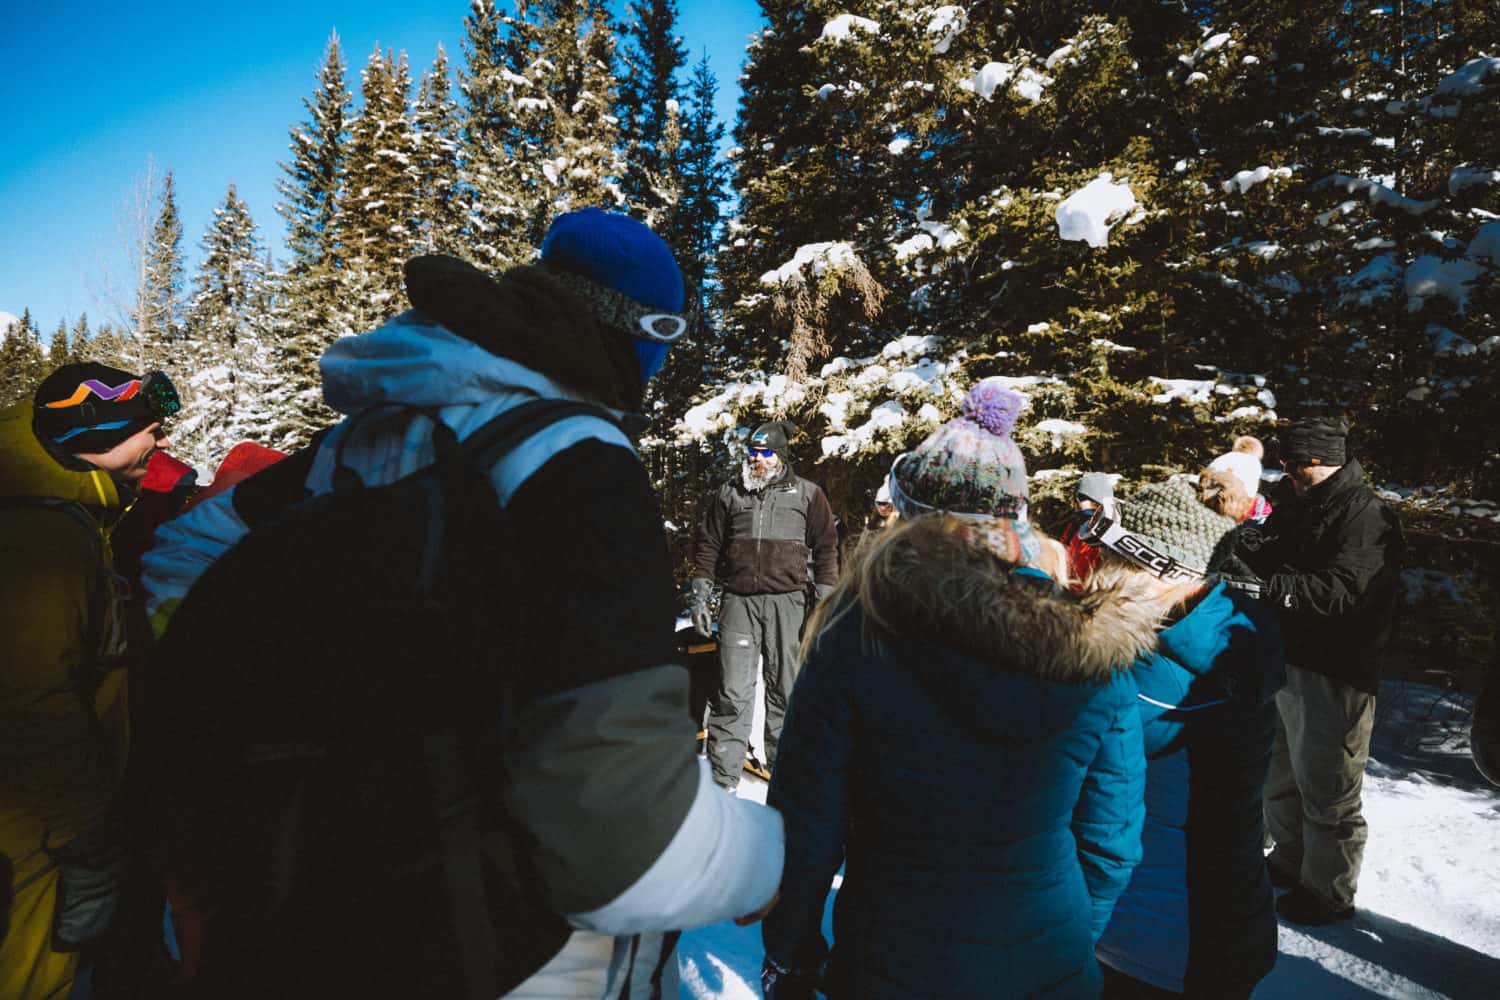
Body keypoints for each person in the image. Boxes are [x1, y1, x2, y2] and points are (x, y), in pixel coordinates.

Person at [141, 208, 783, 997]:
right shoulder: (578, 464)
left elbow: (183, 553)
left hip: (324, 891)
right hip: (508, 939)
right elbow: (621, 849)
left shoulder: (369, 436)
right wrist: (764, 857)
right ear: (640, 334)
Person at [758, 379, 1155, 998]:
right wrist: (1074, 935)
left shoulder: (860, 632)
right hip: (1051, 961)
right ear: (1015, 519)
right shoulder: (1092, 642)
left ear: (911, 521)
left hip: (890, 961)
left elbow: (808, 826)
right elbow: (1112, 837)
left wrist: (792, 955)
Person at [1, 362, 180, 999]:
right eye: (150, 431)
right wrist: (85, 838)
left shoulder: (59, 515)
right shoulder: (40, 534)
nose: (159, 445)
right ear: (98, 433)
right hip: (30, 834)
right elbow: (30, 703)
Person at [1085, 480, 1284, 999]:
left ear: (1159, 572)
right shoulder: (1226, 633)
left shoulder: (1154, 677)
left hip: (1152, 939)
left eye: (1111, 556)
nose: (1095, 568)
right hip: (1224, 923)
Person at [1237, 417, 1404, 925]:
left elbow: (1347, 591)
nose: (1285, 475)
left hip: (1337, 670)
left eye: (1293, 467)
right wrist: (1243, 546)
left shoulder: (1365, 515)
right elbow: (1270, 549)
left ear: (1320, 461)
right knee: (1280, 775)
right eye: (1283, 466)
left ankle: (1329, 890)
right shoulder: (1297, 501)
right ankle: (1289, 861)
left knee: (1328, 787)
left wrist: (1273, 588)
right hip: (1286, 658)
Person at [689, 419, 839, 790]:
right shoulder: (730, 493)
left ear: (780, 456)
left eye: (765, 452)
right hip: (738, 602)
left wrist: (824, 596)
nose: (757, 459)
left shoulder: (806, 494)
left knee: (785, 690)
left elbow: (826, 548)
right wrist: (700, 591)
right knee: (732, 692)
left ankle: (786, 775)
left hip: (788, 604)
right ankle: (724, 780)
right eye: (753, 452)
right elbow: (708, 544)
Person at [1198, 435, 1271, 524]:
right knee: (1261, 501)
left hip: (1209, 496)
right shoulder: (1254, 464)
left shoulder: (1223, 458)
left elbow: (1205, 477)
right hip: (1233, 504)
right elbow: (1250, 494)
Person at [1061, 470, 1113, 590]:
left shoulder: (1106, 529)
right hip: (1069, 589)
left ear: (1095, 500)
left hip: (1092, 592)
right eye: (1077, 499)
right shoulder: (1074, 526)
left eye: (1082, 498)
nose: (1077, 503)